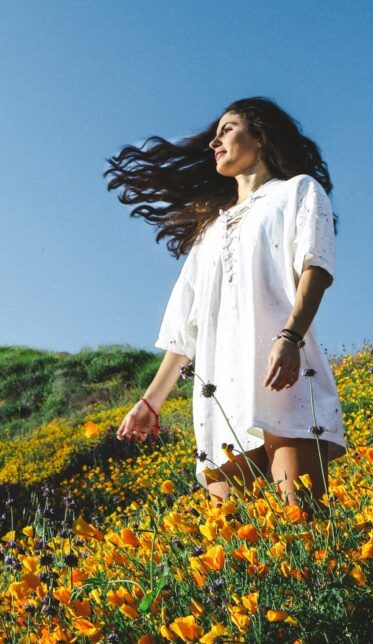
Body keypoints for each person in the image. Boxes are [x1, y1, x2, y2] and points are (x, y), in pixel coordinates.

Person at [104, 96, 347, 512]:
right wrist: (150, 403)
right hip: (220, 393)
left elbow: (316, 267)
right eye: (214, 136)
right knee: (232, 542)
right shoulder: (209, 233)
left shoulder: (297, 192)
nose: (214, 143)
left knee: (300, 518)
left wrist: (290, 336)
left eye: (227, 130)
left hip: (283, 374)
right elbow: (186, 329)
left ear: (261, 135)